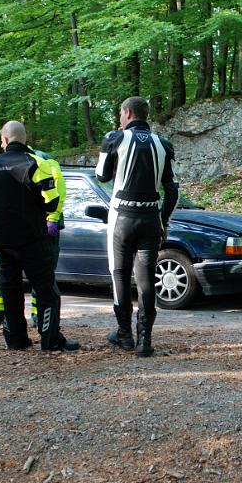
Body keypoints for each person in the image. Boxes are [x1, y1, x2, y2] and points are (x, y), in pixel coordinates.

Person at [0, 121, 79, 352]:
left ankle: (16, 339)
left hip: (3, 239)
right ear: (24, 139)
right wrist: (47, 221)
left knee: (10, 288)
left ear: (4, 140)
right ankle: (50, 338)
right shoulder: (35, 163)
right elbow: (52, 199)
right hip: (33, 238)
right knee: (46, 290)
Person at [96, 96, 179, 358]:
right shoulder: (163, 144)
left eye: (121, 114)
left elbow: (101, 175)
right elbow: (172, 190)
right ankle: (145, 340)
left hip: (122, 217)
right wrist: (164, 220)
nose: (119, 119)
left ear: (128, 113)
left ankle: (124, 334)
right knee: (145, 279)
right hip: (151, 219)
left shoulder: (115, 138)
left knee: (119, 274)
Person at [0, 146, 65, 331]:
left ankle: (35, 321)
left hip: (37, 230)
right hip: (16, 231)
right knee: (9, 276)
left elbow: (56, 193)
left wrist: (52, 219)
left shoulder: (41, 160)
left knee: (39, 278)